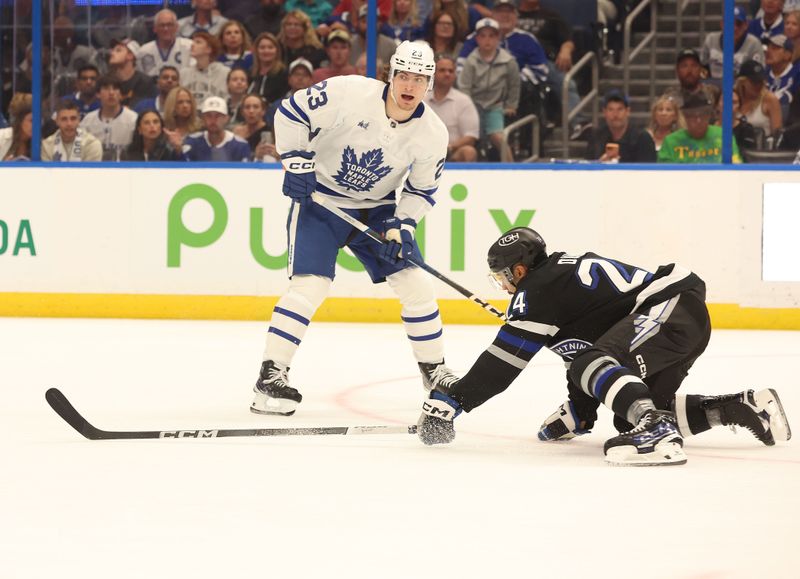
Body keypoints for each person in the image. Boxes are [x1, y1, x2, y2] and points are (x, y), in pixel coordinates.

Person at [416, 228, 793, 466]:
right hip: (680, 315)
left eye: (502, 276)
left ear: (518, 271)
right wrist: (578, 413)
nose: (502, 286)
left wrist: (455, 400)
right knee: (626, 408)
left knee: (606, 379)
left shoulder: (538, 290)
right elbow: (581, 354)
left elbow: (503, 363)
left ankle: (656, 430)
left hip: (668, 308)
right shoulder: (557, 282)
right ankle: (741, 408)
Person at [251, 40, 456, 416]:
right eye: (404, 76)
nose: (410, 86)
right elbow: (290, 113)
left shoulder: (433, 133)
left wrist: (403, 225)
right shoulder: (347, 92)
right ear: (390, 75)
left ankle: (434, 371)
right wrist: (296, 161)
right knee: (309, 286)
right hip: (321, 202)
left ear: (430, 85)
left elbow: (422, 190)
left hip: (377, 211)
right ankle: (271, 374)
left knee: (416, 285)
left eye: (420, 79)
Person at [457, 17, 520, 162]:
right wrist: (467, 107)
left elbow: (514, 84)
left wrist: (511, 104)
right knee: (470, 137)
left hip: (495, 105)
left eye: (492, 36)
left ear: (498, 38)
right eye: (483, 36)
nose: (487, 40)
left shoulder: (508, 61)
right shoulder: (470, 61)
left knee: (498, 137)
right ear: (477, 39)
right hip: (473, 105)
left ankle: (510, 168)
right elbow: (464, 86)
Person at [424, 54, 479, 162]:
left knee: (469, 151)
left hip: (452, 152)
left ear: (455, 75)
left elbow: (471, 136)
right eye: (442, 70)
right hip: (422, 152)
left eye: (451, 71)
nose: (447, 74)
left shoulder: (463, 101)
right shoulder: (421, 99)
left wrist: (449, 147)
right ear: (433, 74)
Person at [659, 92, 743, 163]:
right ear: (685, 117)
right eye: (693, 116)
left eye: (703, 115)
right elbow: (663, 175)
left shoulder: (724, 136)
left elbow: (736, 168)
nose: (698, 120)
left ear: (709, 116)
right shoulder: (671, 142)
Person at [586, 89, 656, 162]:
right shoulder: (596, 136)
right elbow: (586, 166)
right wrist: (599, 164)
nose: (615, 114)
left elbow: (649, 170)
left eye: (620, 109)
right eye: (610, 109)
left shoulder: (642, 138)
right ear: (604, 112)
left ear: (627, 111)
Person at [79, 76, 138, 161]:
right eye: (106, 88)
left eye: (115, 89)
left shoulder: (133, 120)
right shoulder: (88, 121)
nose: (111, 93)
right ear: (98, 94)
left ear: (121, 95)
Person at [701, 6, 765, 81]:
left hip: (741, 89)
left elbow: (757, 73)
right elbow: (702, 67)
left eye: (739, 24)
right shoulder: (711, 39)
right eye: (730, 23)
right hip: (713, 87)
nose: (734, 28)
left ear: (746, 25)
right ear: (722, 24)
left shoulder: (754, 43)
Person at [182, 96, 251, 161]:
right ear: (202, 118)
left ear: (226, 118)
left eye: (218, 116)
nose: (213, 120)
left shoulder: (240, 145)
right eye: (209, 116)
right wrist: (178, 149)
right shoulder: (192, 142)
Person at [137, 9, 195, 78]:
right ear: (154, 28)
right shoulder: (144, 51)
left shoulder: (189, 46)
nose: (166, 29)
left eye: (169, 25)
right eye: (162, 25)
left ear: (176, 27)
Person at [736, 59, 783, 139]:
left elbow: (778, 137)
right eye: (754, 82)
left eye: (761, 82)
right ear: (742, 81)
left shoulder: (770, 100)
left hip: (762, 149)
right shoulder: (732, 98)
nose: (758, 85)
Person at [181, 31, 230, 104]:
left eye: (198, 42)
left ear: (209, 49)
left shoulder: (225, 72)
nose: (192, 45)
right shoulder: (184, 73)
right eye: (193, 42)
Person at [108, 38, 158, 109]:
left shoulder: (145, 83)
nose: (112, 53)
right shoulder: (107, 81)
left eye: (118, 50)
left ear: (130, 56)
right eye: (112, 50)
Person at [267, 57, 315, 124]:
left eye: (305, 75)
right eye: (296, 74)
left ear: (311, 80)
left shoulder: (317, 104)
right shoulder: (278, 106)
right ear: (289, 79)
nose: (300, 78)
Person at [232, 93, 278, 160]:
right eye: (247, 107)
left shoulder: (272, 131)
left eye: (256, 107)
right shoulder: (235, 132)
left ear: (263, 111)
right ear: (242, 112)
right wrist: (254, 155)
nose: (251, 111)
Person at [765, 34, 800, 120]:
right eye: (768, 47)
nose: (768, 51)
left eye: (775, 48)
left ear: (787, 55)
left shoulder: (797, 75)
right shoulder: (761, 73)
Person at [248, 32, 290, 104]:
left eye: (270, 47)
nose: (266, 51)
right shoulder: (251, 72)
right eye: (262, 48)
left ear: (277, 50)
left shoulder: (283, 73)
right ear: (256, 51)